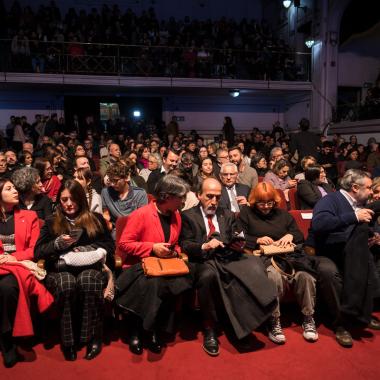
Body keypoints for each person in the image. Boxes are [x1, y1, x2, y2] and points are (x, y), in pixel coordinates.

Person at [180, 178, 277, 356]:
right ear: (199, 195)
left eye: (217, 197)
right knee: (209, 276)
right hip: (203, 260)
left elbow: (237, 236)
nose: (214, 202)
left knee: (254, 265)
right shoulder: (187, 216)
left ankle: (245, 324)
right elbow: (185, 244)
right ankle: (209, 328)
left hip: (227, 256)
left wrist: (238, 243)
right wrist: (204, 246)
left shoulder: (228, 214)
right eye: (209, 197)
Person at [34, 180, 115, 361]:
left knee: (87, 280)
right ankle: (68, 341)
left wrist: (91, 249)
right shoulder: (51, 221)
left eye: (73, 199)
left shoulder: (95, 219)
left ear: (81, 199)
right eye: (64, 200)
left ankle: (93, 336)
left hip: (91, 268)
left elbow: (109, 246)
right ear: (59, 201)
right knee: (67, 282)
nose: (69, 204)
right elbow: (38, 251)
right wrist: (56, 245)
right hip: (60, 271)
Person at [115, 175, 193, 355]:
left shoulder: (176, 216)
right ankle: (140, 331)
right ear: (166, 196)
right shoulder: (141, 214)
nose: (183, 201)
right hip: (139, 266)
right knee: (154, 284)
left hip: (164, 265)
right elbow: (124, 244)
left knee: (181, 280)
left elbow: (175, 242)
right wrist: (152, 248)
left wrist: (173, 251)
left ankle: (152, 329)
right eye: (180, 197)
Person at [307, 169, 380, 347]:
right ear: (355, 187)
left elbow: (358, 229)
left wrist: (374, 234)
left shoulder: (360, 203)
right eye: (369, 188)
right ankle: (340, 323)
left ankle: (360, 313)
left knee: (367, 260)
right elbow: (319, 224)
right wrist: (354, 216)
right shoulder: (330, 200)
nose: (371, 191)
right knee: (329, 272)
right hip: (326, 252)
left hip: (349, 250)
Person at [238, 182, 319, 344]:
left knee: (305, 277)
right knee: (274, 277)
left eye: (270, 203)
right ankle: (274, 320)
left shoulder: (283, 215)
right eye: (262, 203)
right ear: (254, 201)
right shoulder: (246, 213)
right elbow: (239, 237)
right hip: (263, 258)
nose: (266, 207)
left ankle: (308, 317)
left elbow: (298, 234)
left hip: (290, 258)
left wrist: (290, 236)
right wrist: (257, 240)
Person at [0, 178, 53, 367]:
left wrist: (14, 257)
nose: (15, 190)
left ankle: (7, 340)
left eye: (14, 187)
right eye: (8, 188)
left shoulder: (29, 216)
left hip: (19, 266)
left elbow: (35, 249)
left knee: (7, 287)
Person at [101, 161, 148, 229]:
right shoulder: (105, 192)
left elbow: (142, 219)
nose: (112, 184)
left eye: (116, 180)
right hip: (116, 230)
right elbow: (106, 214)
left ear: (126, 178)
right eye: (110, 180)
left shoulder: (140, 194)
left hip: (134, 229)